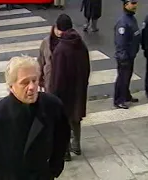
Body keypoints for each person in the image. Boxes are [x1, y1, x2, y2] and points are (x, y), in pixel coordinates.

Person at [0, 56, 71, 180]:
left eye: (34, 80)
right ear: (11, 86)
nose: (31, 87)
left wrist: (53, 170)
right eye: (25, 82)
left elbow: (62, 138)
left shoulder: (53, 105)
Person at [49, 14, 90, 161]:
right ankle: (77, 145)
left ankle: (65, 152)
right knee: (75, 118)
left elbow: (57, 76)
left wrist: (53, 95)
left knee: (63, 123)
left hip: (64, 93)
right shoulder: (80, 44)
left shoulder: (61, 49)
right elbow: (87, 67)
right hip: (78, 89)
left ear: (59, 29)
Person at [113, 0, 141, 109]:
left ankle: (126, 95)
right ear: (126, 5)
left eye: (135, 3)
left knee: (127, 77)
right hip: (124, 56)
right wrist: (123, 56)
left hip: (131, 54)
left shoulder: (132, 18)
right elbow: (120, 42)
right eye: (132, 3)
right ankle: (118, 100)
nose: (135, 6)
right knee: (122, 78)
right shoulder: (123, 22)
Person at [38, 25, 60, 93]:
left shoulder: (67, 43)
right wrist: (39, 77)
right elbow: (41, 60)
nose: (59, 32)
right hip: (49, 78)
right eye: (57, 28)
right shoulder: (46, 42)